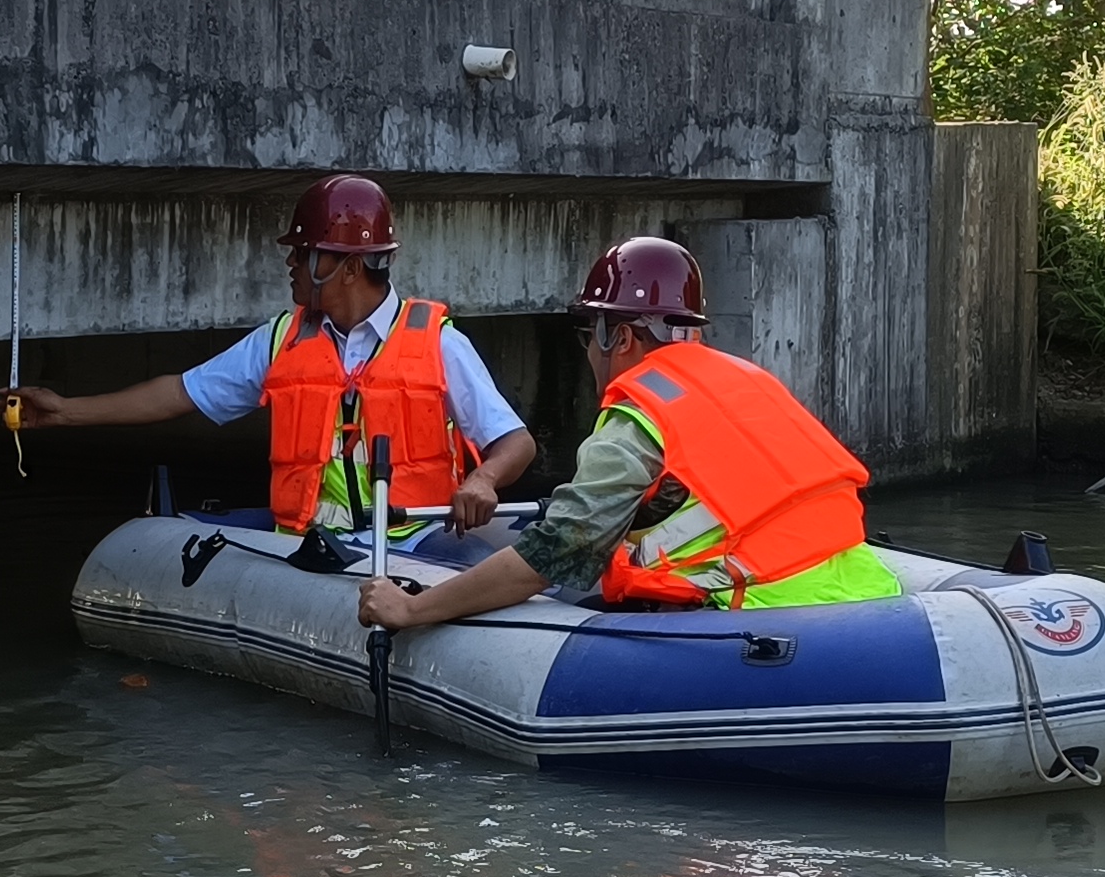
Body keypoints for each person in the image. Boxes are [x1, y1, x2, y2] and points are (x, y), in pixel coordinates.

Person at [357, 234, 897, 636]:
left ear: (616, 335)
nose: (588, 351)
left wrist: (412, 609)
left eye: (589, 333)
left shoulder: (638, 417)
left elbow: (551, 556)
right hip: (865, 594)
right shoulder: (745, 380)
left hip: (766, 619)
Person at [5, 174, 537, 537]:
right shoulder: (282, 339)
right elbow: (179, 392)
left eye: (304, 252)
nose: (291, 261)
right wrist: (66, 411)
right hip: (303, 552)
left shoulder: (440, 343)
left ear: (348, 267)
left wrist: (483, 478)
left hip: (412, 550)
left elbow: (515, 442)